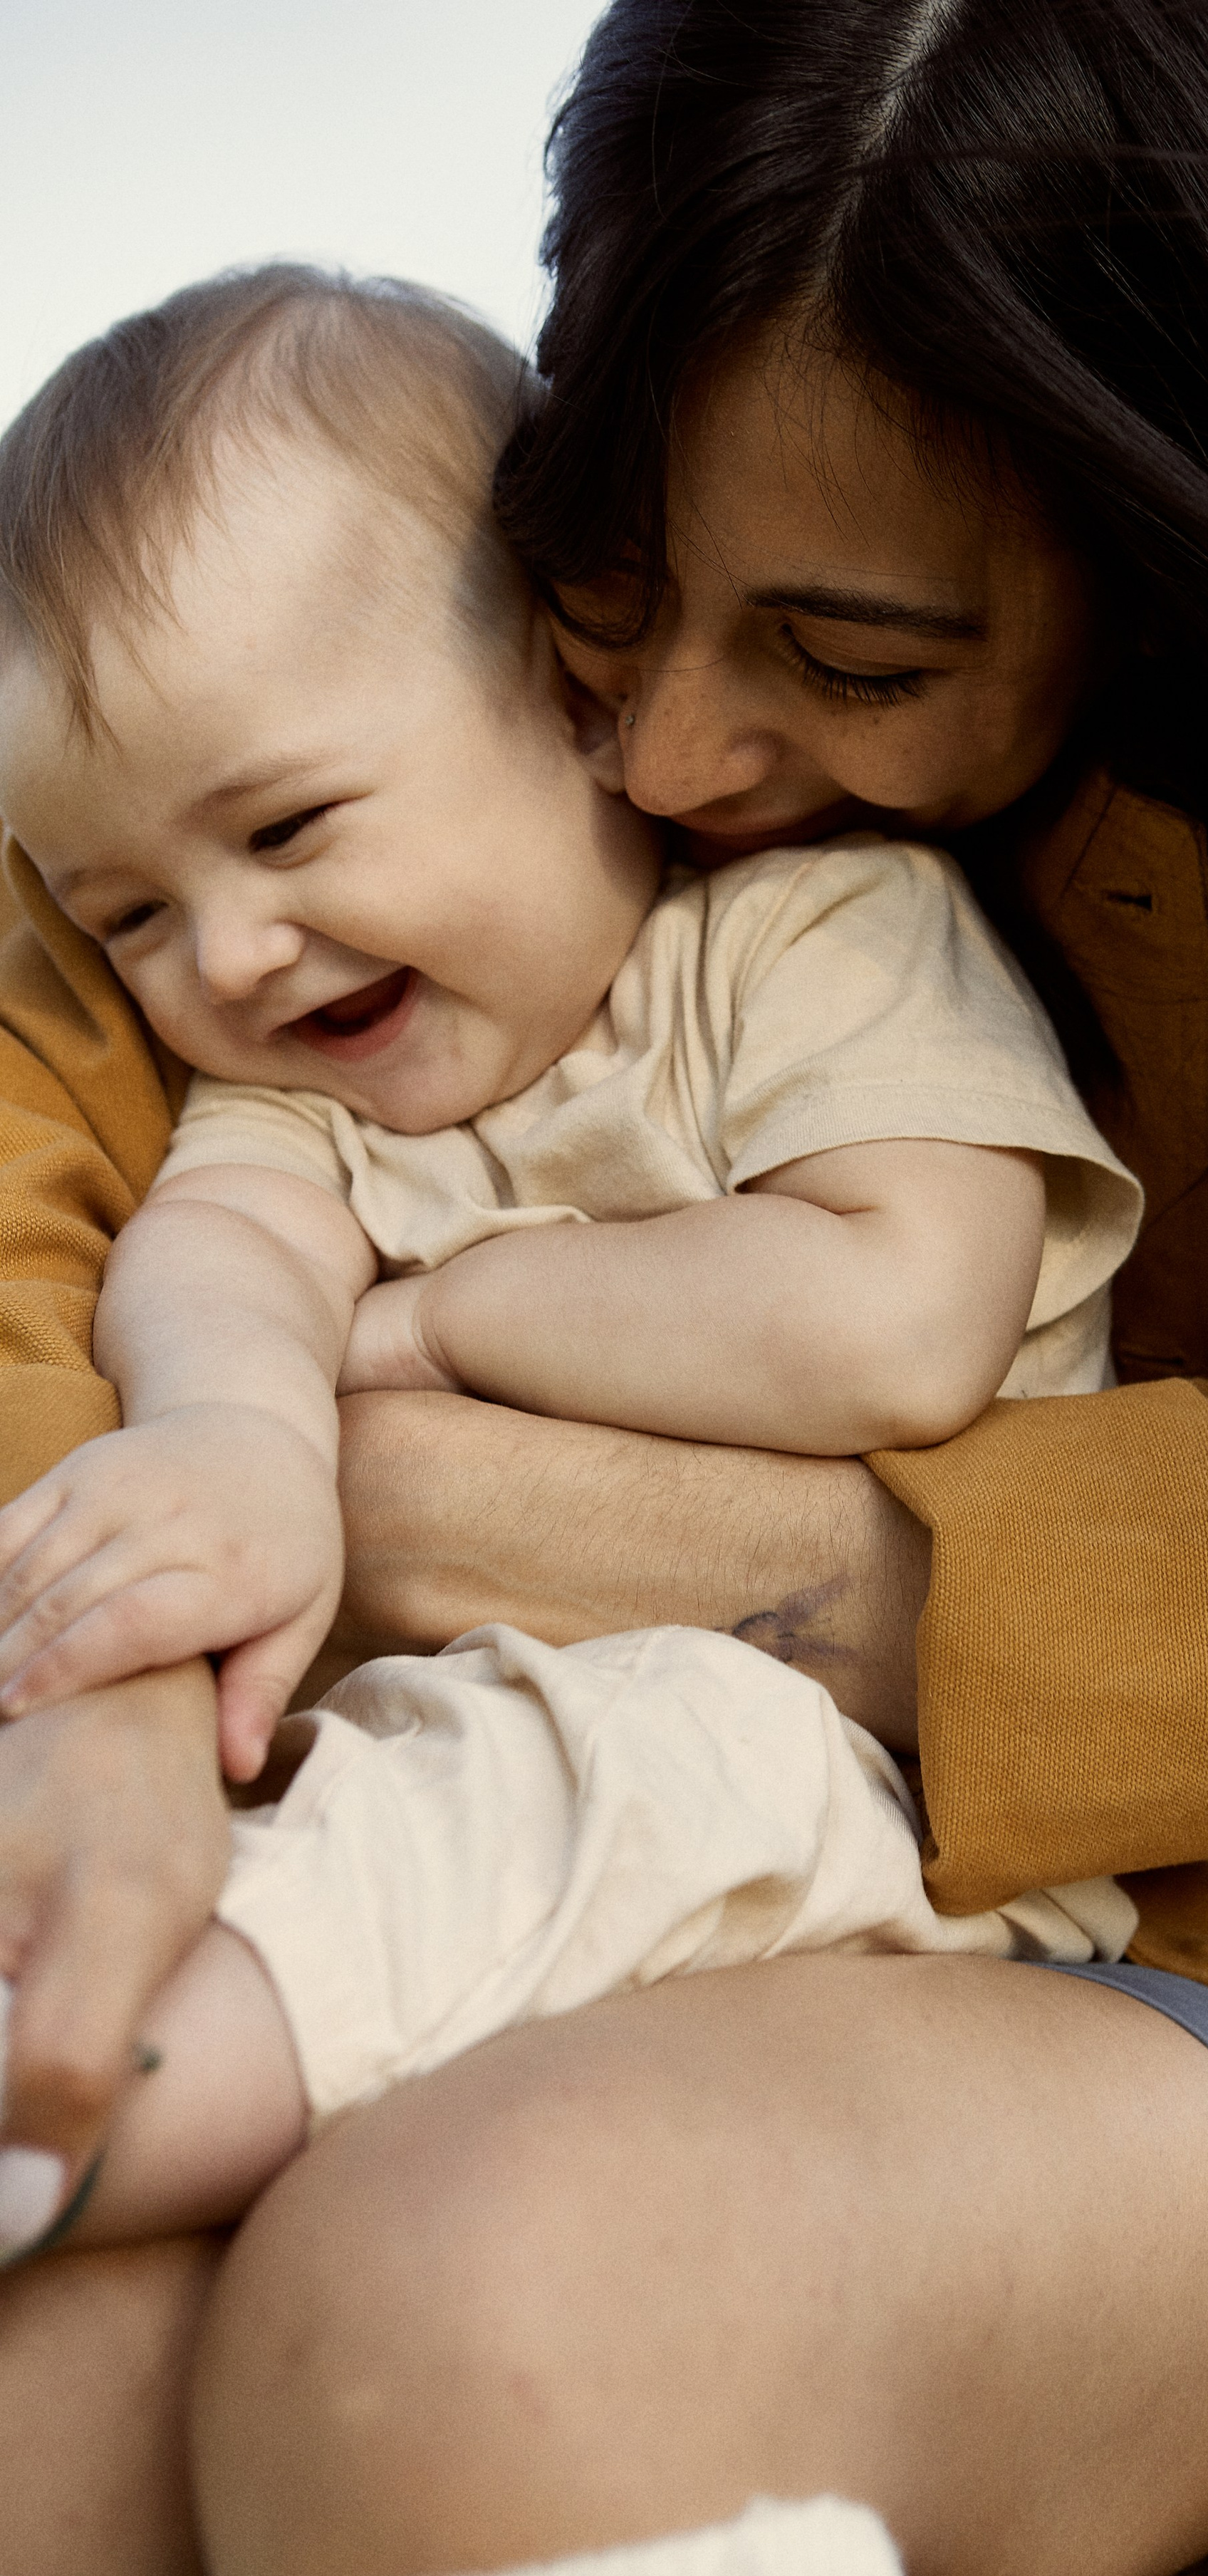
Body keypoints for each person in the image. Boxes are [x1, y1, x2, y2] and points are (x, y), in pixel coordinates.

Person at [0, 2, 1208, 2576]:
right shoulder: (314, 727)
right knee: (52, 2402)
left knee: (492, 2328)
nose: (689, 746)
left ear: (1168, 561)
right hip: (472, 1827)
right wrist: (117, 1688)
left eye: (851, 661)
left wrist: (555, 1499)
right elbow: (53, 1177)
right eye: (617, 584)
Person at [0, 263, 1140, 2247]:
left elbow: (893, 1323)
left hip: (875, 1810)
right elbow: (220, 1264)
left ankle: (78, 2119)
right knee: (394, 1793)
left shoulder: (819, 940)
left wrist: (440, 1316)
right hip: (461, 1796)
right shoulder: (304, 1099)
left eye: (284, 830)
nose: (233, 956)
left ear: (570, 695)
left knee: (578, 1774)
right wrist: (238, 1437)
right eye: (131, 919)